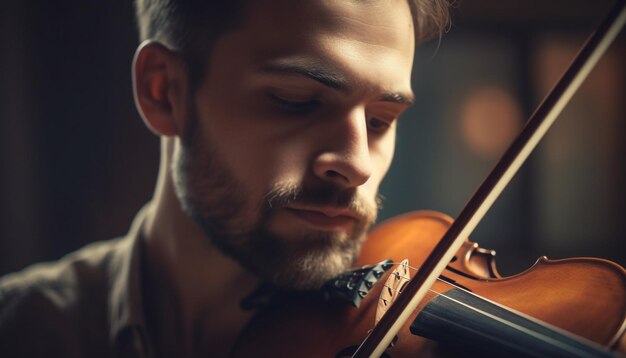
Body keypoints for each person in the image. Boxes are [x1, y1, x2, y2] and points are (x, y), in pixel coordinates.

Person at [0, 0, 450, 356]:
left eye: (381, 120)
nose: (357, 165)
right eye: (295, 100)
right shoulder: (20, 331)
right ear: (164, 91)